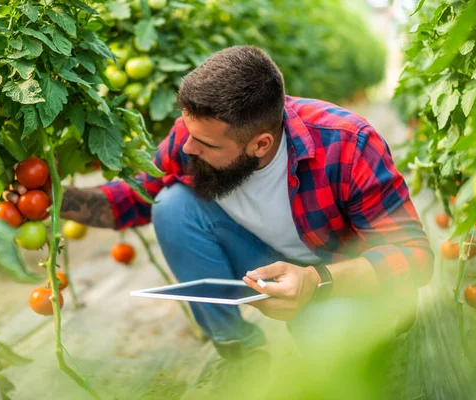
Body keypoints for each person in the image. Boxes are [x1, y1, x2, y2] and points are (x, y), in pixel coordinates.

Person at [59, 45, 433, 395]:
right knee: (171, 205)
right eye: (188, 133)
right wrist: (55, 199)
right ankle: (241, 351)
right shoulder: (196, 135)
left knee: (333, 358)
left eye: (206, 145)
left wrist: (316, 281)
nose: (187, 148)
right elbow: (136, 197)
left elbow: (414, 255)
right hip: (270, 261)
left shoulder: (347, 145)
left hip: (338, 276)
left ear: (261, 145)